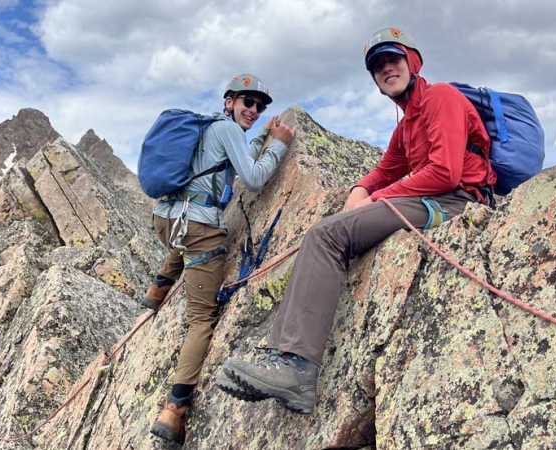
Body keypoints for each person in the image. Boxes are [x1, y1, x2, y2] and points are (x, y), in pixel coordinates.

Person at [219, 27, 496, 414]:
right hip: (435, 200)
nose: (386, 69)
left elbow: (446, 172)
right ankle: (280, 358)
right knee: (326, 233)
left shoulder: (442, 98)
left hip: (455, 202)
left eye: (393, 60)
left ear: (413, 62)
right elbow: (384, 170)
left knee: (327, 237)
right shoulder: (406, 126)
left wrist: (377, 197)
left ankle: (296, 368)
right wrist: (360, 189)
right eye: (377, 67)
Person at [146, 73, 295, 445]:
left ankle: (158, 287)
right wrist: (278, 145)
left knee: (186, 243)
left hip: (166, 219)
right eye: (249, 102)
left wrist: (262, 135)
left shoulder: (210, 127)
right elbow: (255, 178)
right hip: (199, 230)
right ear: (230, 101)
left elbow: (236, 152)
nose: (255, 110)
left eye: (260, 106)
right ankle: (174, 409)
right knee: (200, 320)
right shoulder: (227, 131)